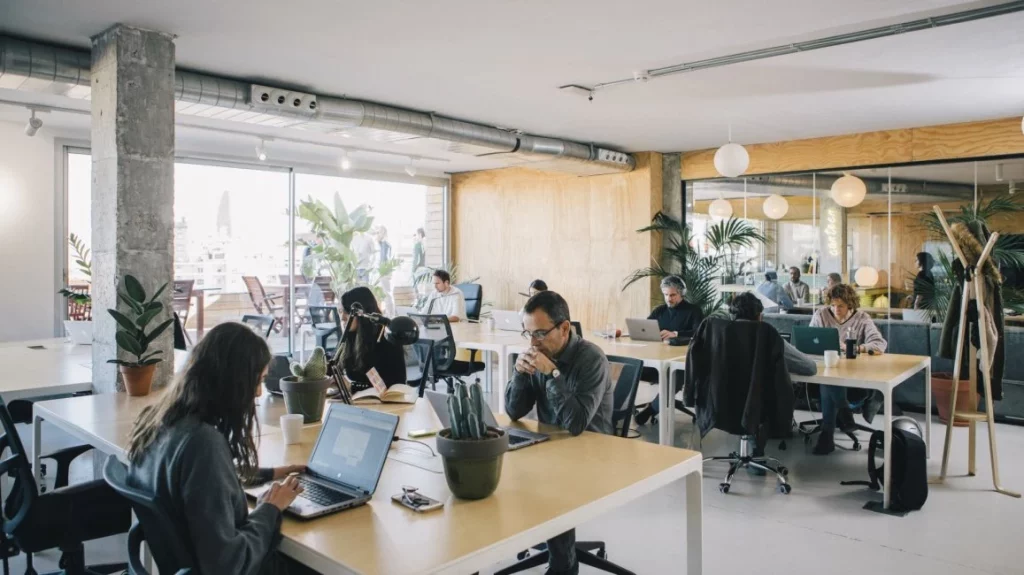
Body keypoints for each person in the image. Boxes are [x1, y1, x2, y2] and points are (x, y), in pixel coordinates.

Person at [125, 322, 314, 575]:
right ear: (232, 382)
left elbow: (200, 482)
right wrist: (270, 510)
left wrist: (269, 474)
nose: (258, 393)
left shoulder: (161, 420)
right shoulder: (203, 445)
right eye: (255, 382)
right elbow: (228, 564)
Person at [506, 291, 613, 575]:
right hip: (551, 444)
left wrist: (552, 374)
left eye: (540, 333)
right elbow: (514, 411)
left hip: (592, 452)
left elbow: (576, 424)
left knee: (552, 482)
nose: (533, 342)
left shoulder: (592, 359)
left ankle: (563, 566)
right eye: (528, 334)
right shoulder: (539, 352)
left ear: (564, 328)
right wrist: (519, 373)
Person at [809, 283, 888, 455]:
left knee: (828, 382)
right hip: (825, 370)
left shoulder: (862, 318)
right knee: (828, 378)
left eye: (841, 306)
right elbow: (809, 340)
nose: (836, 309)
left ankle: (827, 435)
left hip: (853, 379)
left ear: (850, 304)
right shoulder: (821, 315)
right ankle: (844, 413)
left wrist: (854, 348)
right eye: (833, 305)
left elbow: (880, 344)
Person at [634, 276, 704, 425]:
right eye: (666, 295)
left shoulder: (694, 311)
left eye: (672, 295)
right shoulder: (659, 310)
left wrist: (676, 334)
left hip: (681, 362)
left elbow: (700, 333)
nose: (668, 299)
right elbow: (645, 327)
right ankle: (621, 408)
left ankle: (651, 410)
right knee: (632, 367)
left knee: (675, 376)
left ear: (681, 293)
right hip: (657, 359)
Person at [730, 292, 816, 376]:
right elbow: (810, 367)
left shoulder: (720, 338)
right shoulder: (769, 337)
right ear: (759, 317)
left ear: (732, 317)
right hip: (763, 390)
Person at [339, 286, 407, 387]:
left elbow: (395, 383)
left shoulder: (386, 340)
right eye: (340, 311)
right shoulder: (351, 337)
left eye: (347, 312)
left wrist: (351, 387)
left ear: (362, 313)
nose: (342, 318)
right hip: (357, 399)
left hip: (383, 400)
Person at [375, 227, 394, 315]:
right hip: (384, 273)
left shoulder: (385, 245)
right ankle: (389, 314)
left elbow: (384, 260)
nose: (377, 234)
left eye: (379, 232)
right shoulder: (383, 244)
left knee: (387, 294)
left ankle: (390, 315)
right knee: (386, 294)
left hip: (384, 273)